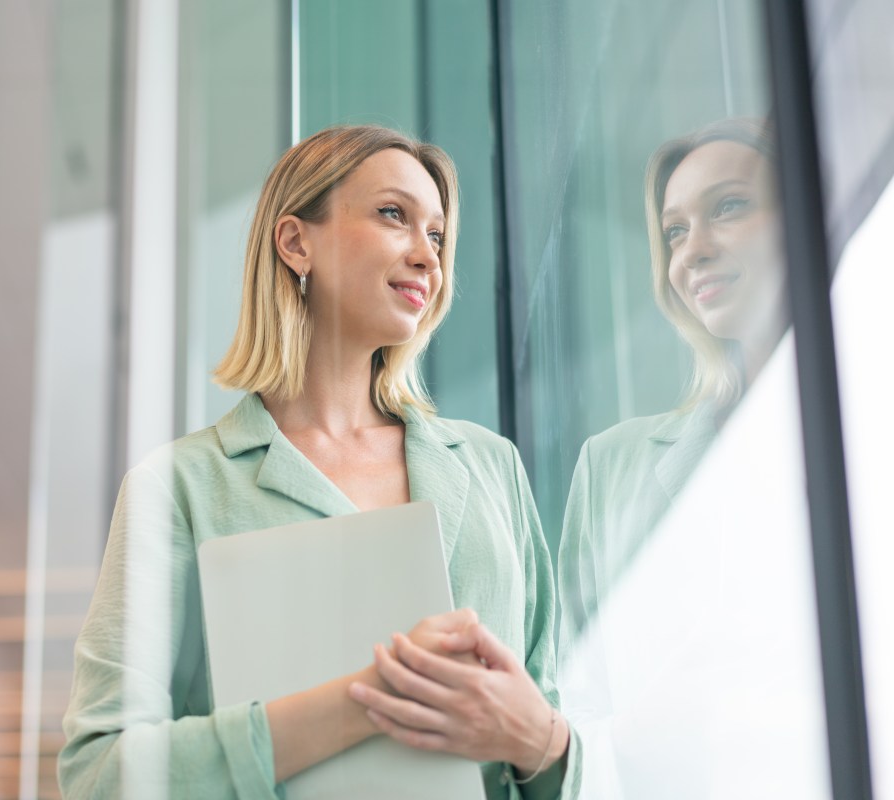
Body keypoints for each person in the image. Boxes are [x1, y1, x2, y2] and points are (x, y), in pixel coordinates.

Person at [58, 125, 579, 798]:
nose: (428, 256)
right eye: (395, 215)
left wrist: (540, 740)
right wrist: (374, 698)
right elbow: (100, 774)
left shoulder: (491, 468)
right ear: (296, 241)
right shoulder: (179, 489)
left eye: (439, 236)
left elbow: (556, 733)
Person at [558, 117, 786, 648]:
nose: (692, 251)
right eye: (675, 231)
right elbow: (575, 691)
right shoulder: (610, 466)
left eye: (728, 207)